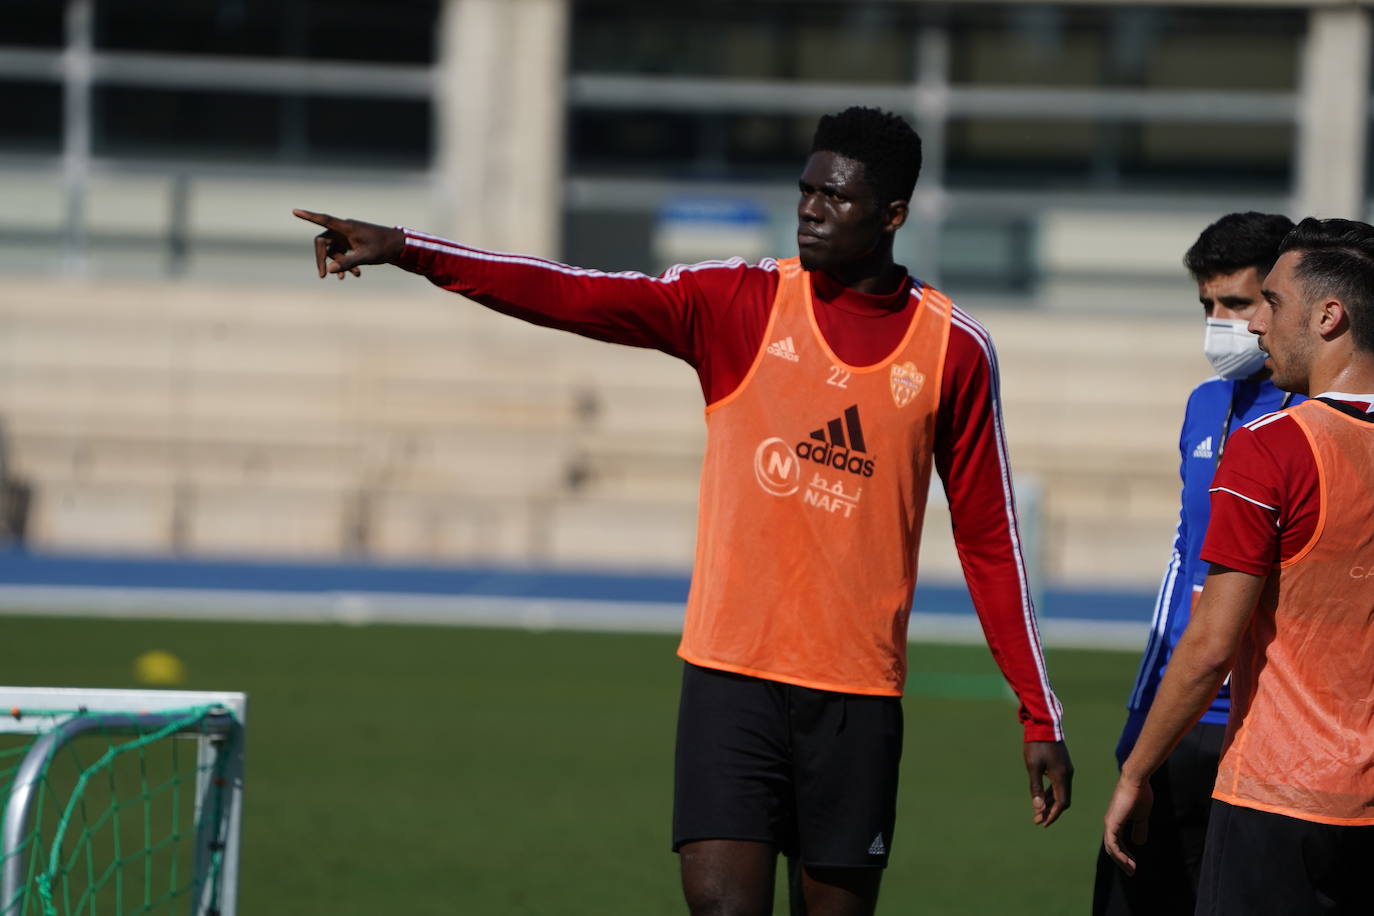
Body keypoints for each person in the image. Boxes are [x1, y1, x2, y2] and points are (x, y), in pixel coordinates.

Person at [295, 106, 1072, 916]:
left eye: (834, 198)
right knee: (719, 906)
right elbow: (575, 293)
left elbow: (990, 542)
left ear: (892, 215)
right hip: (729, 677)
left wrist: (1037, 712)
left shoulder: (954, 349)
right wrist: (415, 250)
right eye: (804, 189)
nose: (809, 208)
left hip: (854, 695)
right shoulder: (739, 302)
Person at [1104, 218, 1374, 915]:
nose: (1254, 327)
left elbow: (1210, 644)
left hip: (1275, 794)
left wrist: (1136, 768)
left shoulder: (1272, 446)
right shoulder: (1219, 413)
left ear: (1328, 315)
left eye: (1269, 303)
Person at [1092, 212, 1299, 915]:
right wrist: (1138, 727)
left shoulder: (1323, 419)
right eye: (1207, 306)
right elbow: (1183, 562)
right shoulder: (1206, 404)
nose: (1219, 323)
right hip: (1176, 720)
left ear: (1282, 301)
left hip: (1267, 729)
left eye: (1236, 304)